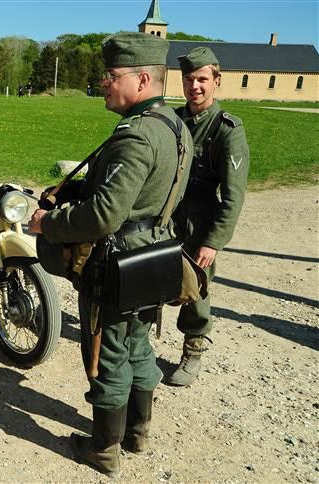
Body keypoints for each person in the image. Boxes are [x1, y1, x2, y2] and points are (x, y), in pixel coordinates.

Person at [28, 32, 193, 477]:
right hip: (156, 254)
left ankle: (104, 449)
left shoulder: (135, 137)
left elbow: (104, 213)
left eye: (111, 75)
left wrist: (48, 224)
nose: (103, 82)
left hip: (118, 262)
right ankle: (137, 433)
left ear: (142, 79)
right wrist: (78, 187)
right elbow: (139, 193)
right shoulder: (174, 126)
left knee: (107, 353)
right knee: (138, 343)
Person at [164, 47, 250, 387]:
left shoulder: (227, 130)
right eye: (189, 79)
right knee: (148, 274)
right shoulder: (172, 120)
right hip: (167, 217)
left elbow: (233, 196)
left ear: (216, 81)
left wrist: (214, 241)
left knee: (195, 287)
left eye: (202, 79)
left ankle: (194, 346)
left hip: (199, 224)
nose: (194, 86)